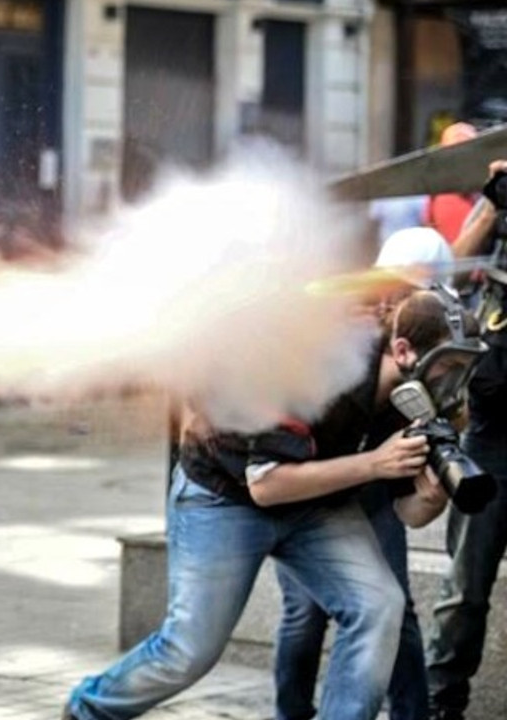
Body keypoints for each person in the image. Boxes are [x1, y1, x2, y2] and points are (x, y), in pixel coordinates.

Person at [63, 290, 479, 720]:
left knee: (378, 606)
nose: (455, 382)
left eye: (464, 368)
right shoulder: (321, 361)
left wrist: (430, 498)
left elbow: (408, 514)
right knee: (190, 650)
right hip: (225, 497)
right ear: (404, 351)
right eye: (449, 366)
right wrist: (374, 464)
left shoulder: (413, 398)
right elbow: (266, 484)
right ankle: (88, 709)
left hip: (317, 504)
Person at [270, 230, 458, 720]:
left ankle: (411, 714)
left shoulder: (434, 337)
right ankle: (292, 713)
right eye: (398, 285)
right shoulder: (345, 334)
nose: (405, 297)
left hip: (374, 483)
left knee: (393, 608)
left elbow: (415, 500)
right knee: (304, 614)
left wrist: (430, 487)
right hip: (306, 485)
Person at [426, 159, 507, 720]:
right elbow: (449, 269)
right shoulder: (498, 215)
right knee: (464, 588)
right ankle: (440, 703)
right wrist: (496, 200)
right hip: (492, 432)